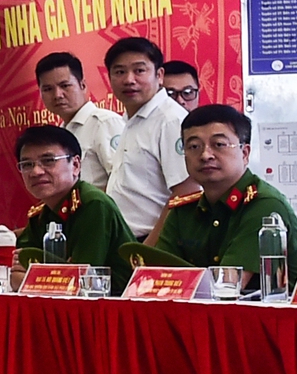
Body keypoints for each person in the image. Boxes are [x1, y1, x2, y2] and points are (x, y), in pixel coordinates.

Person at [155, 104, 297, 285]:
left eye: (219, 144)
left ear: (245, 153)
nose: (205, 155)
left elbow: (228, 286)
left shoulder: (264, 205)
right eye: (194, 146)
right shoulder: (183, 211)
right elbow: (159, 280)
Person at [12, 125, 135, 292]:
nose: (36, 171)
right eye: (27, 164)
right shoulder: (41, 214)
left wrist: (39, 278)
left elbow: (79, 282)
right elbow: (17, 275)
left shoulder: (92, 204)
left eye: (48, 161)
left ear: (75, 165)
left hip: (113, 308)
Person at [104, 36, 197, 240]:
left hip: (153, 242)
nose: (129, 79)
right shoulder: (132, 119)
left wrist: (148, 248)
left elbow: (186, 192)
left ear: (159, 75)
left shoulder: (170, 120)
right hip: (126, 240)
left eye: (139, 70)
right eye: (120, 72)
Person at [35, 52, 125, 190]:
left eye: (65, 86)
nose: (57, 95)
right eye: (48, 89)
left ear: (82, 85)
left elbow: (123, 182)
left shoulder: (103, 123)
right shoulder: (61, 132)